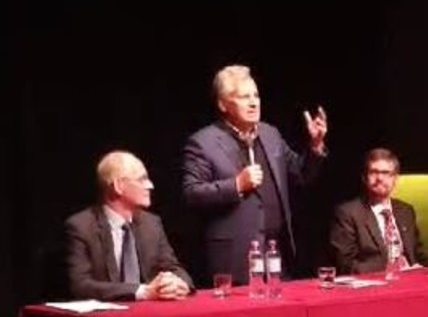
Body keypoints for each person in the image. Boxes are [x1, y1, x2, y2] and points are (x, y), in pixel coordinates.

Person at [181, 64, 328, 284]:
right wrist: (237, 185)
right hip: (235, 259)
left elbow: (300, 174)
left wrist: (315, 146)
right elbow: (192, 194)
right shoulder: (203, 142)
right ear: (223, 104)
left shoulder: (270, 134)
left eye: (256, 95)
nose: (253, 103)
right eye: (244, 97)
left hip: (277, 254)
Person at [65, 150, 194, 301]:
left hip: (147, 311)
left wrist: (179, 283)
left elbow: (173, 267)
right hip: (107, 311)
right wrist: (141, 291)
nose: (150, 186)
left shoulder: (151, 224)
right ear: (118, 186)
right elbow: (80, 285)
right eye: (142, 179)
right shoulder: (81, 227)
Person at [330, 147, 428, 275]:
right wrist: (393, 269)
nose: (380, 178)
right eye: (374, 172)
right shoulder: (348, 213)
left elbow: (417, 255)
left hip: (410, 280)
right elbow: (345, 264)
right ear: (364, 178)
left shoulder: (406, 211)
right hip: (374, 282)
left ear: (395, 178)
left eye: (386, 173)